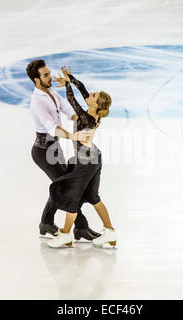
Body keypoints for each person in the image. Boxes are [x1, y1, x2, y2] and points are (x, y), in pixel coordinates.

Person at [26, 59, 101, 240]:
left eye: (49, 73)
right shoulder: (38, 102)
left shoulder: (50, 92)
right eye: (45, 75)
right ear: (36, 80)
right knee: (67, 188)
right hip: (43, 152)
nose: (50, 77)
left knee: (63, 186)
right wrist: (74, 136)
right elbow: (53, 128)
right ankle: (81, 227)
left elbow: (68, 108)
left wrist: (82, 119)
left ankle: (47, 223)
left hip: (54, 148)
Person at [46, 65, 117, 249]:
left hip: (85, 162)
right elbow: (83, 89)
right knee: (94, 197)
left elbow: (72, 100)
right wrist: (72, 78)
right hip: (94, 157)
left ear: (95, 104)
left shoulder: (86, 118)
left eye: (93, 96)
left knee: (72, 198)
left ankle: (65, 235)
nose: (90, 95)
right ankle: (109, 231)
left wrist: (68, 85)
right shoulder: (94, 112)